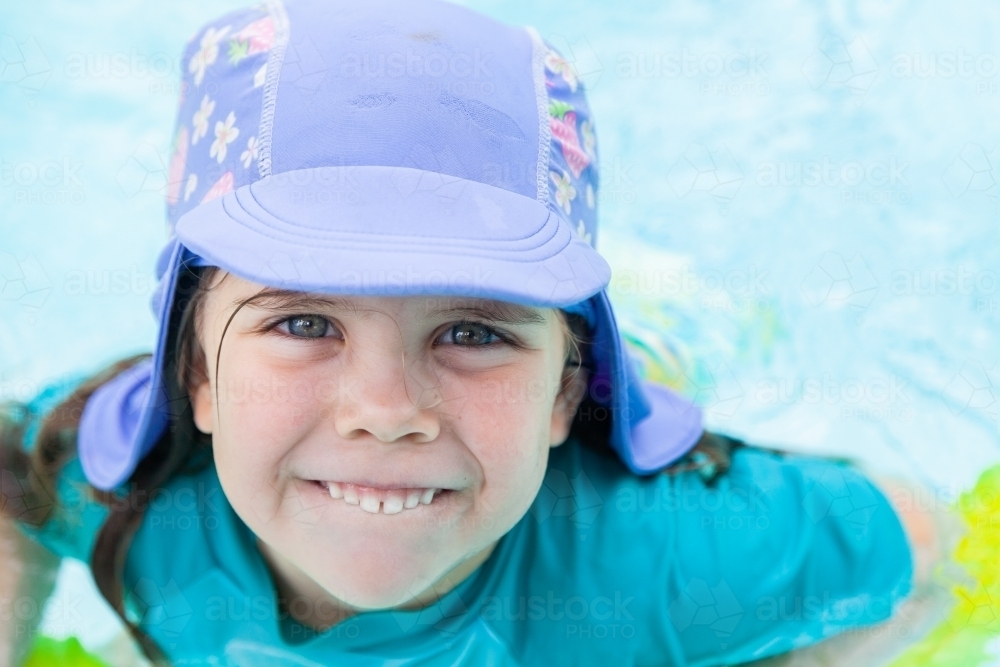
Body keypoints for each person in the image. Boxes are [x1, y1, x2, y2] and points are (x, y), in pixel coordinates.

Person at [0, 0, 921, 664]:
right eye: (307, 320)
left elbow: (934, 542)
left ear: (568, 392)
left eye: (472, 331)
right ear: (195, 372)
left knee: (673, 330)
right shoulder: (119, 487)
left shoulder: (666, 558)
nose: (386, 410)